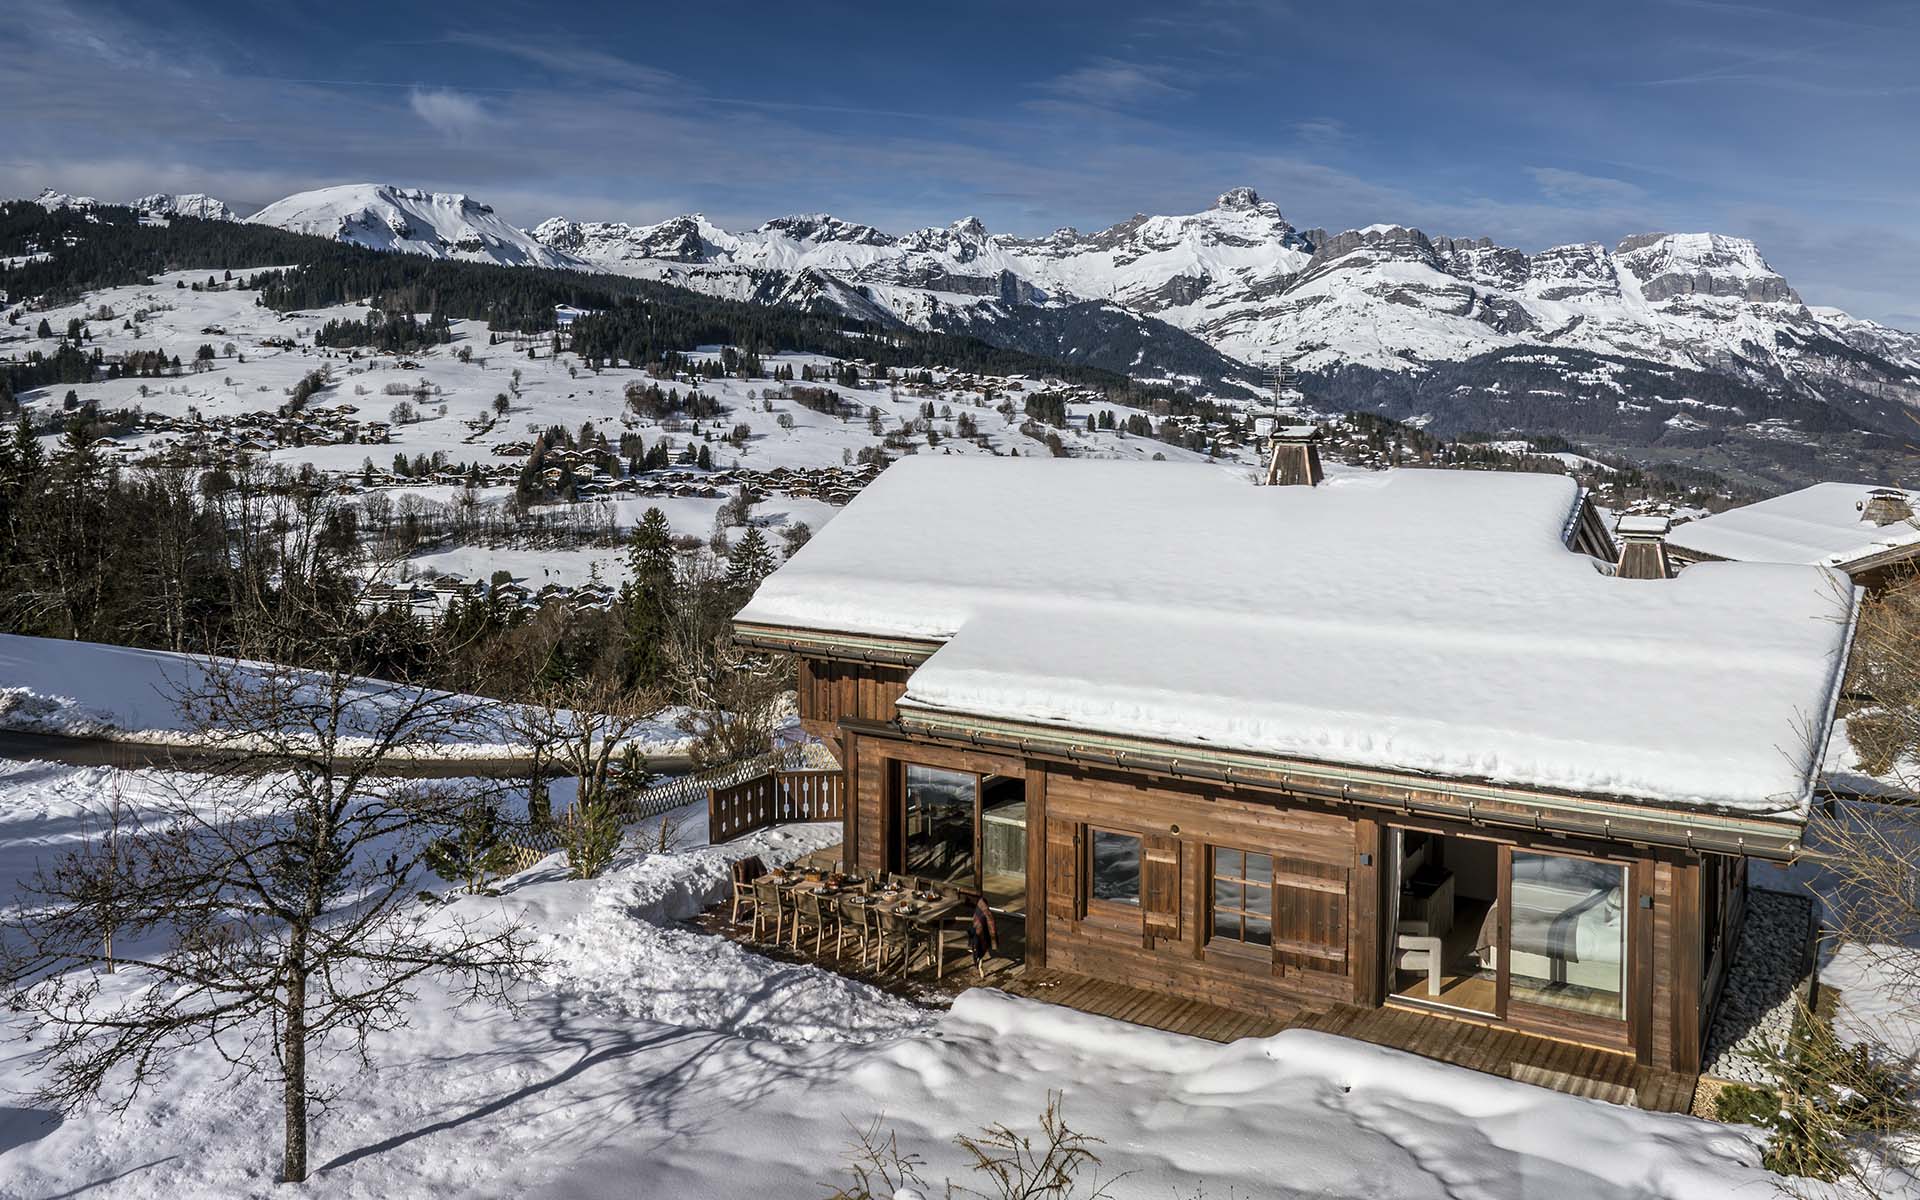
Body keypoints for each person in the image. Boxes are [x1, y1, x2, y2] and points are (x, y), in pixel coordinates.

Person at [965, 891, 997, 977]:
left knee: (940, 927)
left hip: (975, 937)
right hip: (976, 935)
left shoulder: (981, 909)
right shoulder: (981, 906)